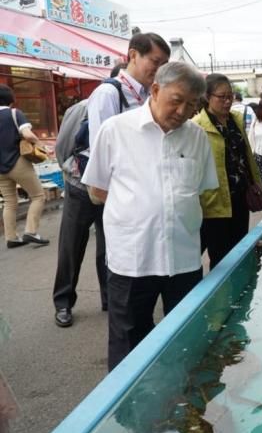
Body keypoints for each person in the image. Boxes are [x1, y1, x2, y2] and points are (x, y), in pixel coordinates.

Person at [82, 62, 218, 371]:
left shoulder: (196, 137)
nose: (183, 110)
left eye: (192, 104)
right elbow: (98, 189)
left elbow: (199, 190)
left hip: (182, 258)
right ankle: (129, 415)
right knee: (128, 341)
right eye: (177, 100)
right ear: (155, 90)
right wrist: (138, 211)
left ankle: (184, 406)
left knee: (186, 338)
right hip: (133, 259)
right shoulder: (115, 130)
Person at [52, 33, 170, 328]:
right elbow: (102, 148)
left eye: (163, 63)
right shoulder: (109, 93)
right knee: (72, 245)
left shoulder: (146, 95)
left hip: (120, 186)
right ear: (133, 56)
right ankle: (63, 302)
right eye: (155, 61)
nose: (158, 68)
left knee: (110, 245)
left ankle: (109, 299)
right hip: (87, 184)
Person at [193, 75, 262, 269]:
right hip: (214, 203)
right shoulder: (197, 125)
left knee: (238, 252)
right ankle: (222, 298)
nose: (227, 101)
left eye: (230, 96)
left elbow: (246, 156)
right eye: (222, 96)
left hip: (241, 199)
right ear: (207, 97)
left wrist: (256, 184)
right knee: (221, 258)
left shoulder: (236, 120)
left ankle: (237, 295)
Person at [0, 85, 49, 249]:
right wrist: (41, 144)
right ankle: (31, 231)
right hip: (17, 162)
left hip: (0, 169)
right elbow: (27, 134)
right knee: (38, 196)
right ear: (11, 99)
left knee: (9, 202)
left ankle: (11, 237)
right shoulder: (14, 113)